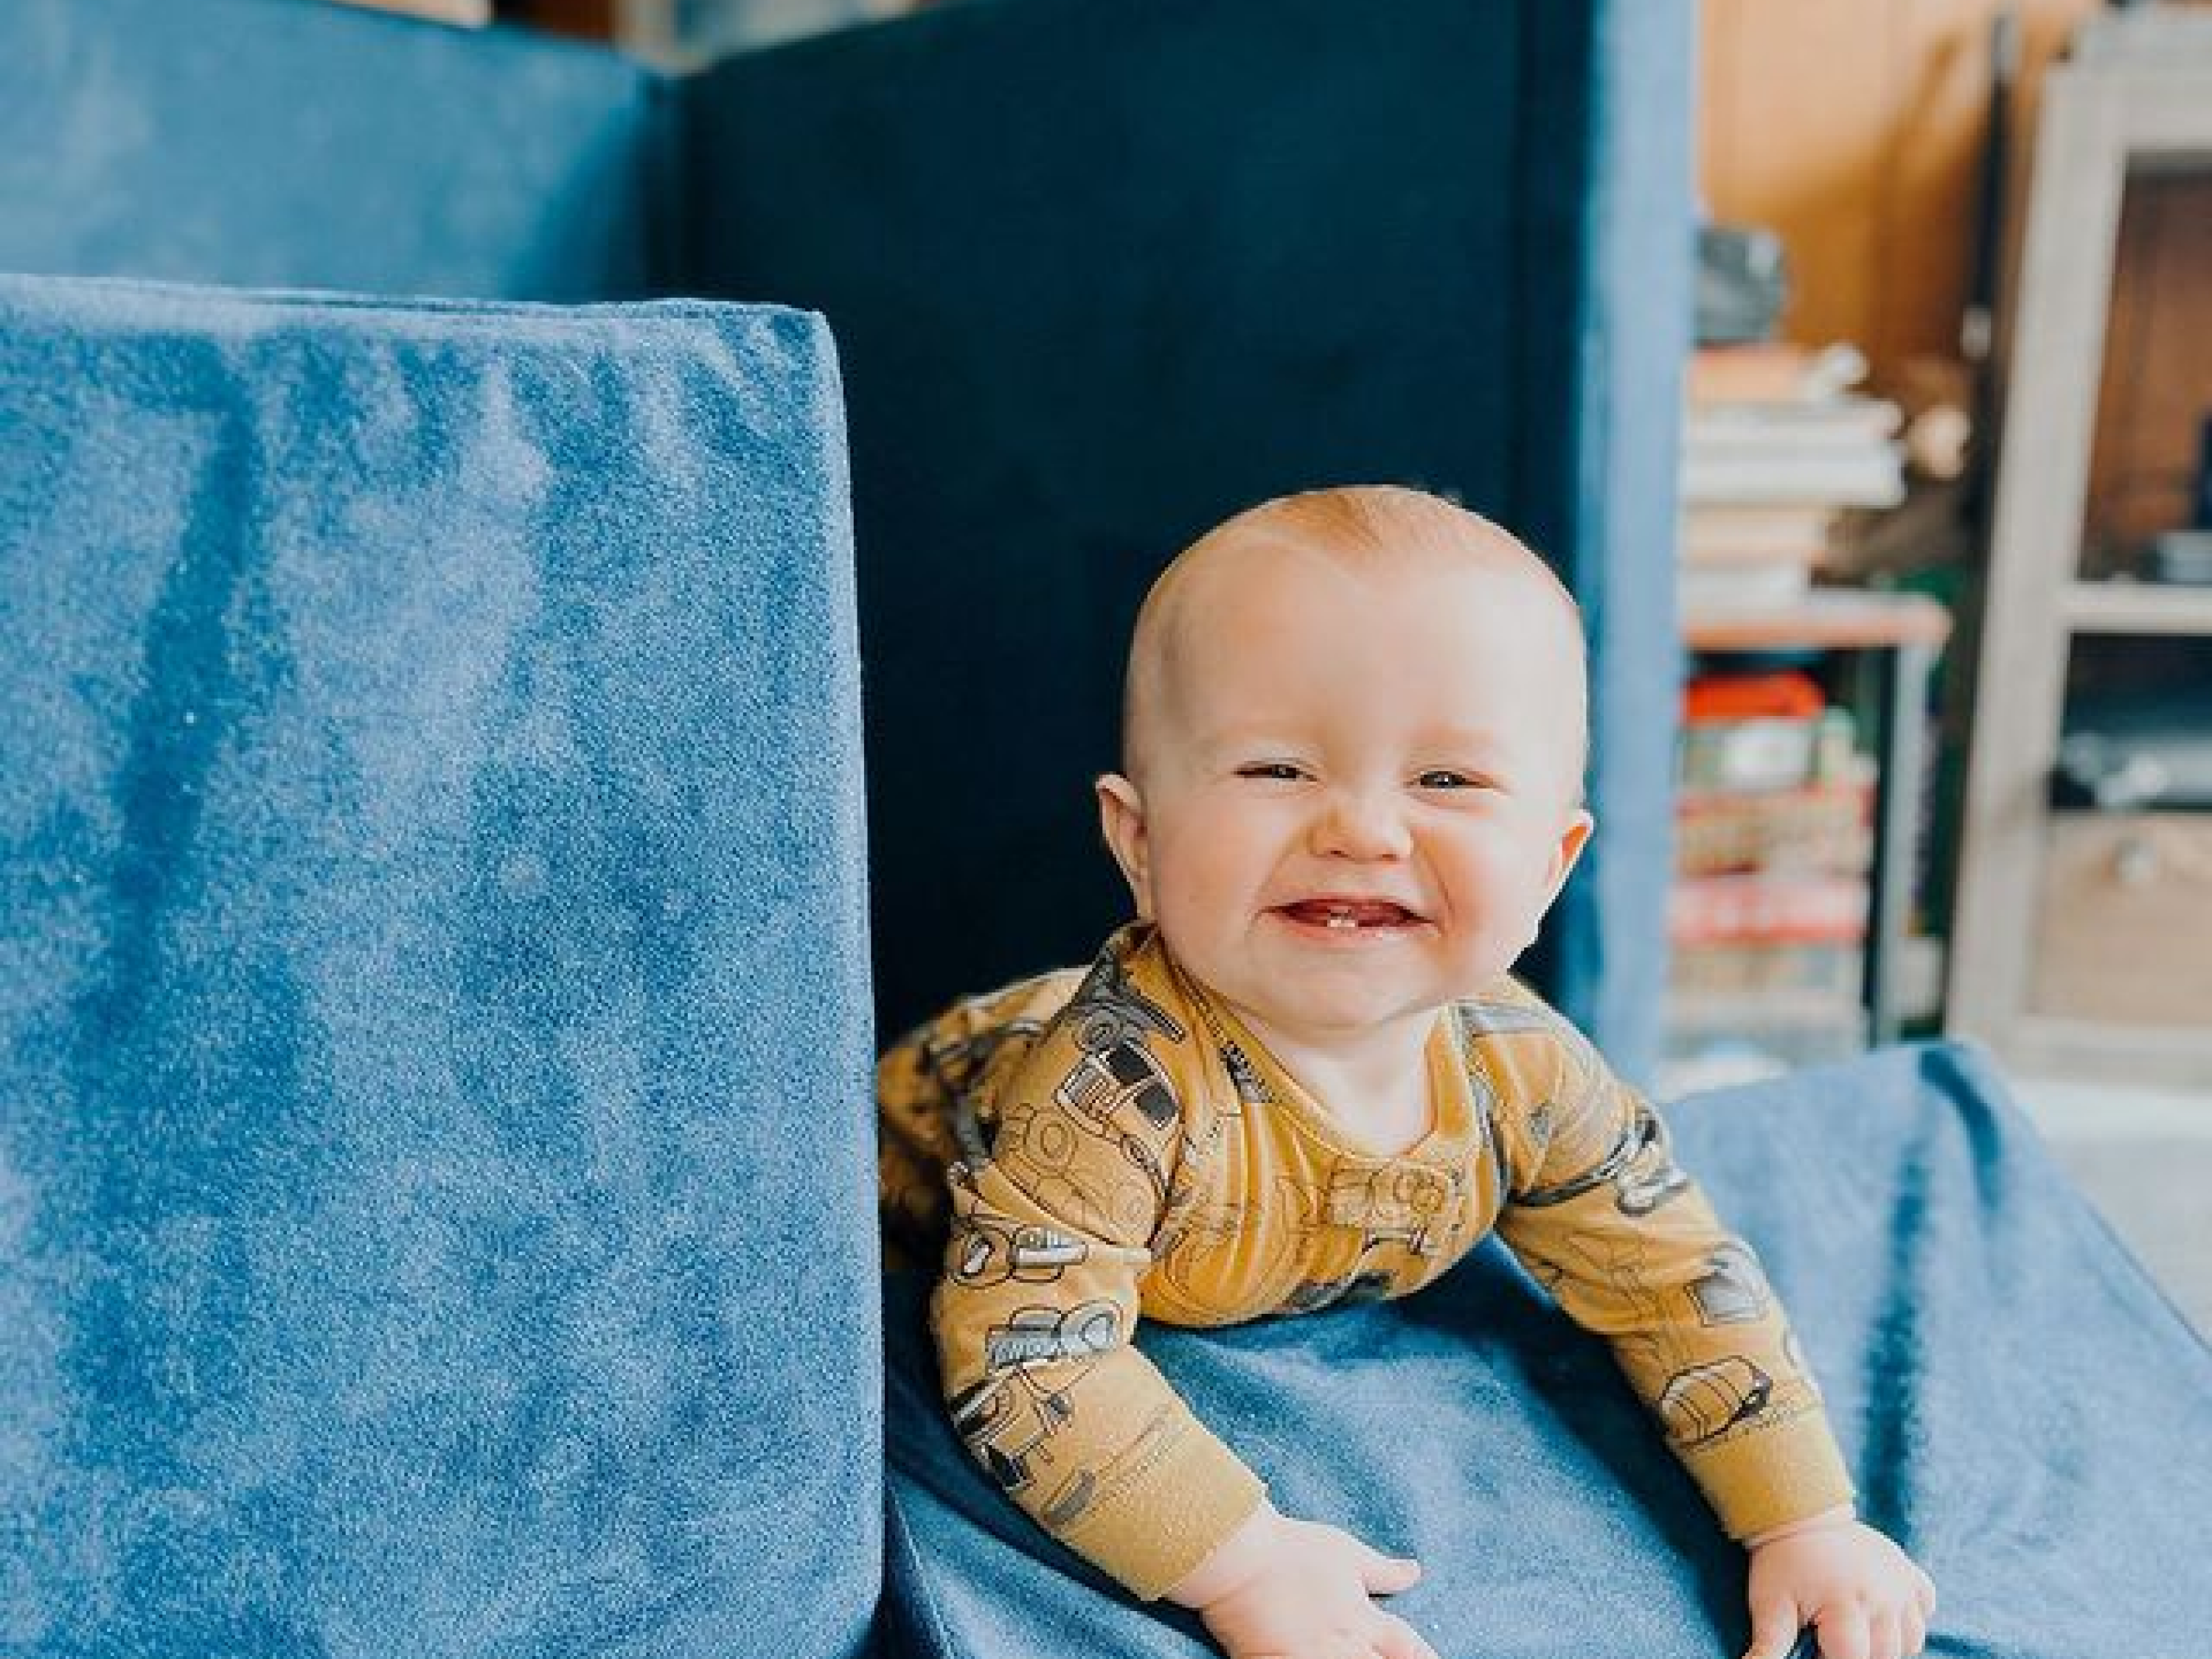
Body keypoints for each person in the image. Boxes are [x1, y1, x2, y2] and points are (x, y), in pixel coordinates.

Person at [877, 485, 1936, 1659]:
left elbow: (1674, 1274)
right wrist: (1244, 1559)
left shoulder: (1523, 1071)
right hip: (910, 1165)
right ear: (1140, 838)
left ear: (1551, 863)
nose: (1363, 830)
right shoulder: (1115, 1091)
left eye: (1448, 782)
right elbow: (1026, 1352)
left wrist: (1804, 1518)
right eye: (1277, 768)